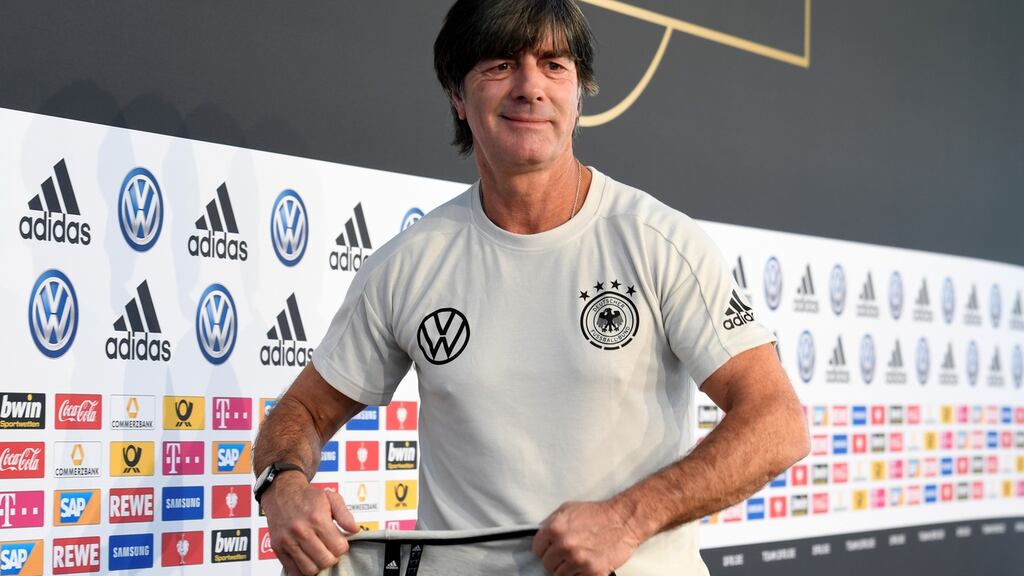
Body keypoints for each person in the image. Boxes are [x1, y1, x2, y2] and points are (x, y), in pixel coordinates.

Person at [253, 1, 810, 575]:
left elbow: (777, 421)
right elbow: (302, 412)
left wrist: (628, 518)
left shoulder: (656, 242)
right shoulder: (409, 264)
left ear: (579, 91)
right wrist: (282, 484)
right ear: (458, 98)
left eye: (553, 65)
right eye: (499, 65)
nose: (529, 88)